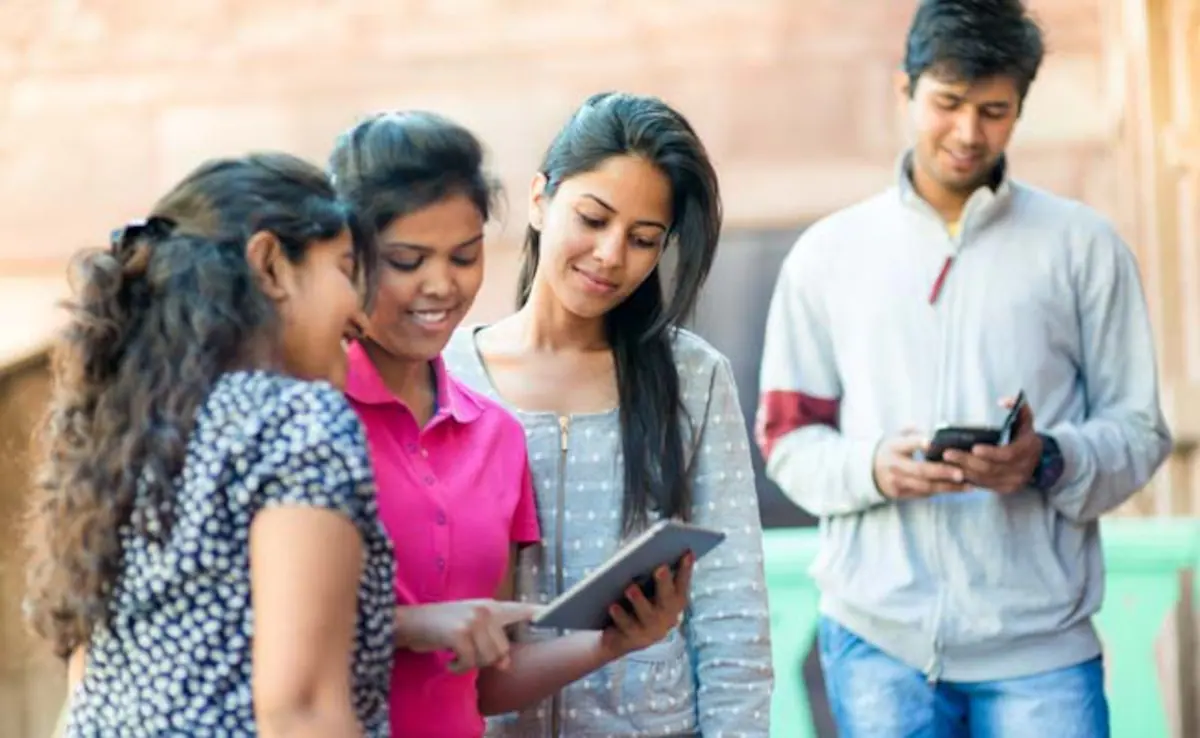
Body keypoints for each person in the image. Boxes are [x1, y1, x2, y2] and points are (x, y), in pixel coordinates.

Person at [755, 1, 1172, 735]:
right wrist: (876, 467)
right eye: (947, 103)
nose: (968, 133)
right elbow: (787, 439)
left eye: (995, 110)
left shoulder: (1084, 246)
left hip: (1044, 653)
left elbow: (1140, 432)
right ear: (904, 90)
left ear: (1020, 108)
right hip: (877, 642)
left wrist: (1046, 458)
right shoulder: (828, 254)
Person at [329, 110, 694, 738]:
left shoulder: (494, 434)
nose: (441, 285)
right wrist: (412, 625)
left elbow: (489, 683)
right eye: (408, 260)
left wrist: (613, 643)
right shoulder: (303, 411)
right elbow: (240, 623)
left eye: (464, 256)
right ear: (347, 258)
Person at [24, 153, 397, 736]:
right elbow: (299, 709)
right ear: (271, 265)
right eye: (346, 270)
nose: (361, 314)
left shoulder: (130, 431)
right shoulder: (297, 421)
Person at [444, 91, 774, 737]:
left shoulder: (692, 377)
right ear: (541, 199)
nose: (611, 256)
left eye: (644, 238)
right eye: (593, 219)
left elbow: (732, 607)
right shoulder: (447, 374)